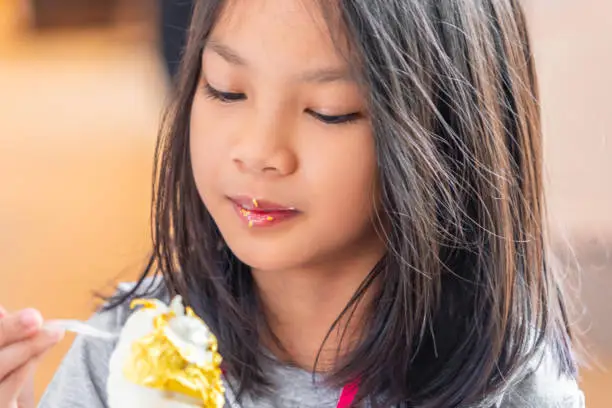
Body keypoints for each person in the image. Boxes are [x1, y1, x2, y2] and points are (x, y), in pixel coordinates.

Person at [0, 0, 586, 407]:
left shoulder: (512, 385)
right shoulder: (129, 348)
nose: (258, 152)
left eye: (328, 111)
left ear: (447, 131)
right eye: (227, 90)